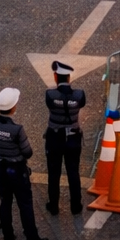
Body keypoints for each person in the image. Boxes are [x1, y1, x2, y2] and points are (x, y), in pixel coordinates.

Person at [0, 88, 48, 240]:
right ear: (13, 108)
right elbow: (27, 152)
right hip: (17, 170)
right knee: (25, 204)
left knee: (5, 201)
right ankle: (32, 238)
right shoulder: (17, 129)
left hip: (1, 168)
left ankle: (8, 235)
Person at [44, 59, 86, 217]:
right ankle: (76, 205)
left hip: (54, 139)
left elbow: (51, 104)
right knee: (73, 172)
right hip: (73, 139)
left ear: (56, 77)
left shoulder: (50, 95)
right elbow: (80, 103)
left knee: (53, 173)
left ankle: (53, 205)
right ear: (69, 78)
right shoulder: (79, 95)